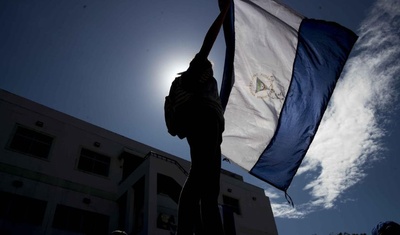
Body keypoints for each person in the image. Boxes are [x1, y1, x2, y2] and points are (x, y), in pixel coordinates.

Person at [164, 1, 231, 234]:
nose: (211, 69)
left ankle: (209, 229)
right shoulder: (196, 70)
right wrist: (225, 12)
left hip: (201, 125)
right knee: (201, 176)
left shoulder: (186, 84)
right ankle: (188, 230)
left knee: (208, 185)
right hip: (203, 122)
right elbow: (208, 41)